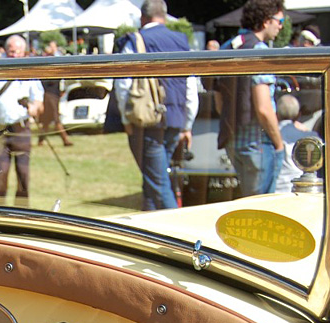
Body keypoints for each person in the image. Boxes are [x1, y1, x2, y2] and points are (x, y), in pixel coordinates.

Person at [115, 0, 198, 211]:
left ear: (142, 18)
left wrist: (126, 119)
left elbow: (123, 84)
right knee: (153, 179)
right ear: (165, 15)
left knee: (158, 183)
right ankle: (150, 228)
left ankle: (180, 236)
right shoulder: (181, 41)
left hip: (147, 122)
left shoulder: (136, 41)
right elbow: (191, 86)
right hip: (176, 119)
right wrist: (187, 124)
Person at [217, 0, 286, 197]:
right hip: (258, 143)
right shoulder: (260, 52)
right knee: (262, 210)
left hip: (233, 140)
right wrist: (279, 144)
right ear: (266, 21)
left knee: (248, 205)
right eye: (279, 21)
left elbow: (219, 98)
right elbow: (263, 108)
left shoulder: (227, 47)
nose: (280, 27)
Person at [0, 35, 44, 206]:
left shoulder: (30, 73)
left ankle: (22, 210)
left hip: (20, 129)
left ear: (24, 52)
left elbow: (39, 103)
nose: (14, 55)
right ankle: (1, 205)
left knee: (23, 171)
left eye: (18, 51)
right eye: (11, 51)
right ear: (6, 51)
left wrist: (34, 108)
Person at [274, 94, 319, 192]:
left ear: (276, 114)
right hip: (304, 188)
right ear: (298, 115)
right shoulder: (311, 137)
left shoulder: (271, 135)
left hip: (278, 189)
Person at [38, 41, 73, 148]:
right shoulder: (45, 62)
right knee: (55, 117)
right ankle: (65, 139)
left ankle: (41, 141)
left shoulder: (56, 60)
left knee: (47, 120)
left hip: (55, 93)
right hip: (49, 94)